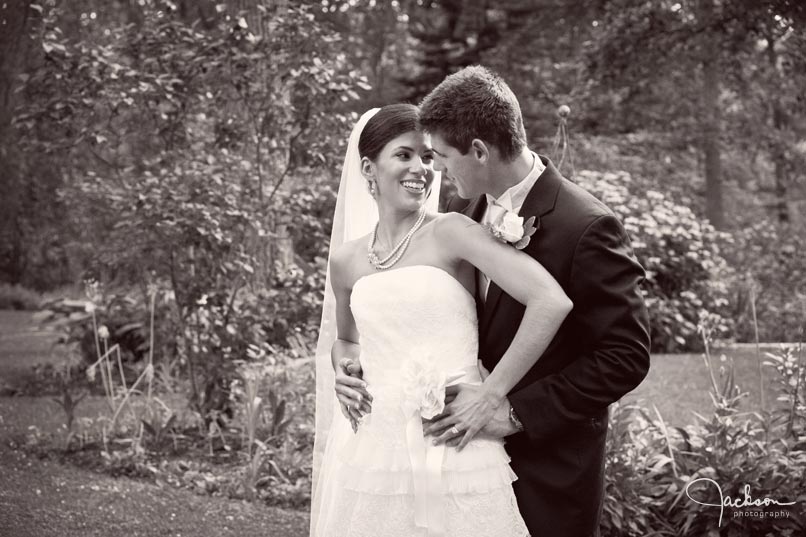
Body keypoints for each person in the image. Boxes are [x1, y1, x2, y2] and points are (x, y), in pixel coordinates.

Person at [309, 103, 573, 537]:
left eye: (429, 157)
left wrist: (491, 394)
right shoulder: (345, 260)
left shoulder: (450, 232)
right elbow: (348, 341)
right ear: (367, 167)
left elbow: (550, 301)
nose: (421, 168)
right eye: (405, 155)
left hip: (455, 441)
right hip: (374, 450)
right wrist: (345, 368)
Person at [415, 66, 651, 537]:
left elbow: (625, 356)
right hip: (465, 462)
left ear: (479, 151)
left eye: (442, 156)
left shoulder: (586, 226)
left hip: (549, 473)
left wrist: (519, 412)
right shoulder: (462, 212)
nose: (436, 169)